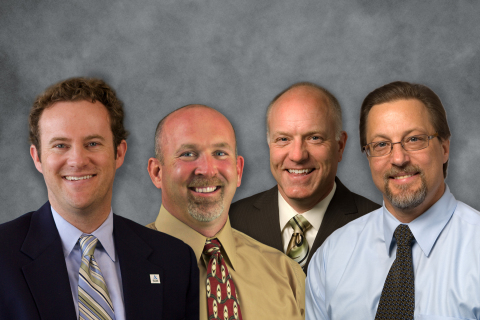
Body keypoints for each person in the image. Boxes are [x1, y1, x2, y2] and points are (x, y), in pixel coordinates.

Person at [0, 77, 199, 320]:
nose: (77, 161)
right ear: (37, 158)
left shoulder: (175, 261)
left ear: (119, 153)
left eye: (93, 143)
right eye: (60, 145)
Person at [306, 81, 480, 319]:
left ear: (445, 147)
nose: (398, 158)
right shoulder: (331, 257)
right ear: (368, 156)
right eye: (381, 145)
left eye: (414, 139)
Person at [146, 104, 305, 319]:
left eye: (220, 153)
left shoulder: (287, 275)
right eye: (188, 154)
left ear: (238, 171)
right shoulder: (120, 269)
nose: (208, 169)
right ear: (157, 172)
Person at [229, 82, 380, 273]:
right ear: (269, 144)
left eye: (314, 138)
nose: (298, 156)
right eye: (283, 139)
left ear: (340, 146)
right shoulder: (230, 223)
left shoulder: (379, 227)